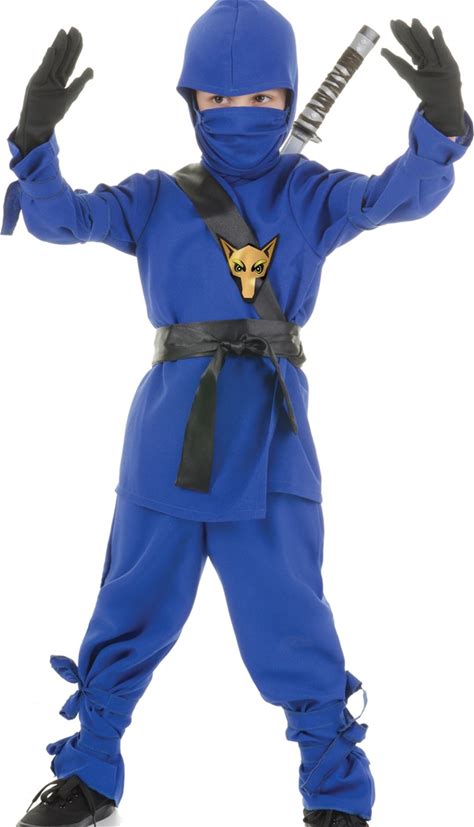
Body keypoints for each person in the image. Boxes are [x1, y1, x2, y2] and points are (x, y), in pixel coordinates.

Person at [2, 2, 471, 826]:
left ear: (288, 98)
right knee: (129, 602)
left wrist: (439, 127)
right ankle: (89, 775)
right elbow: (62, 218)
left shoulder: (310, 194)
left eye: (260, 98)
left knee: (289, 612)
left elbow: (393, 197)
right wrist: (35, 143)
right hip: (166, 433)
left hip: (272, 436)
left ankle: (334, 790)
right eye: (219, 99)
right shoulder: (156, 197)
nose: (239, 113)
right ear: (191, 101)